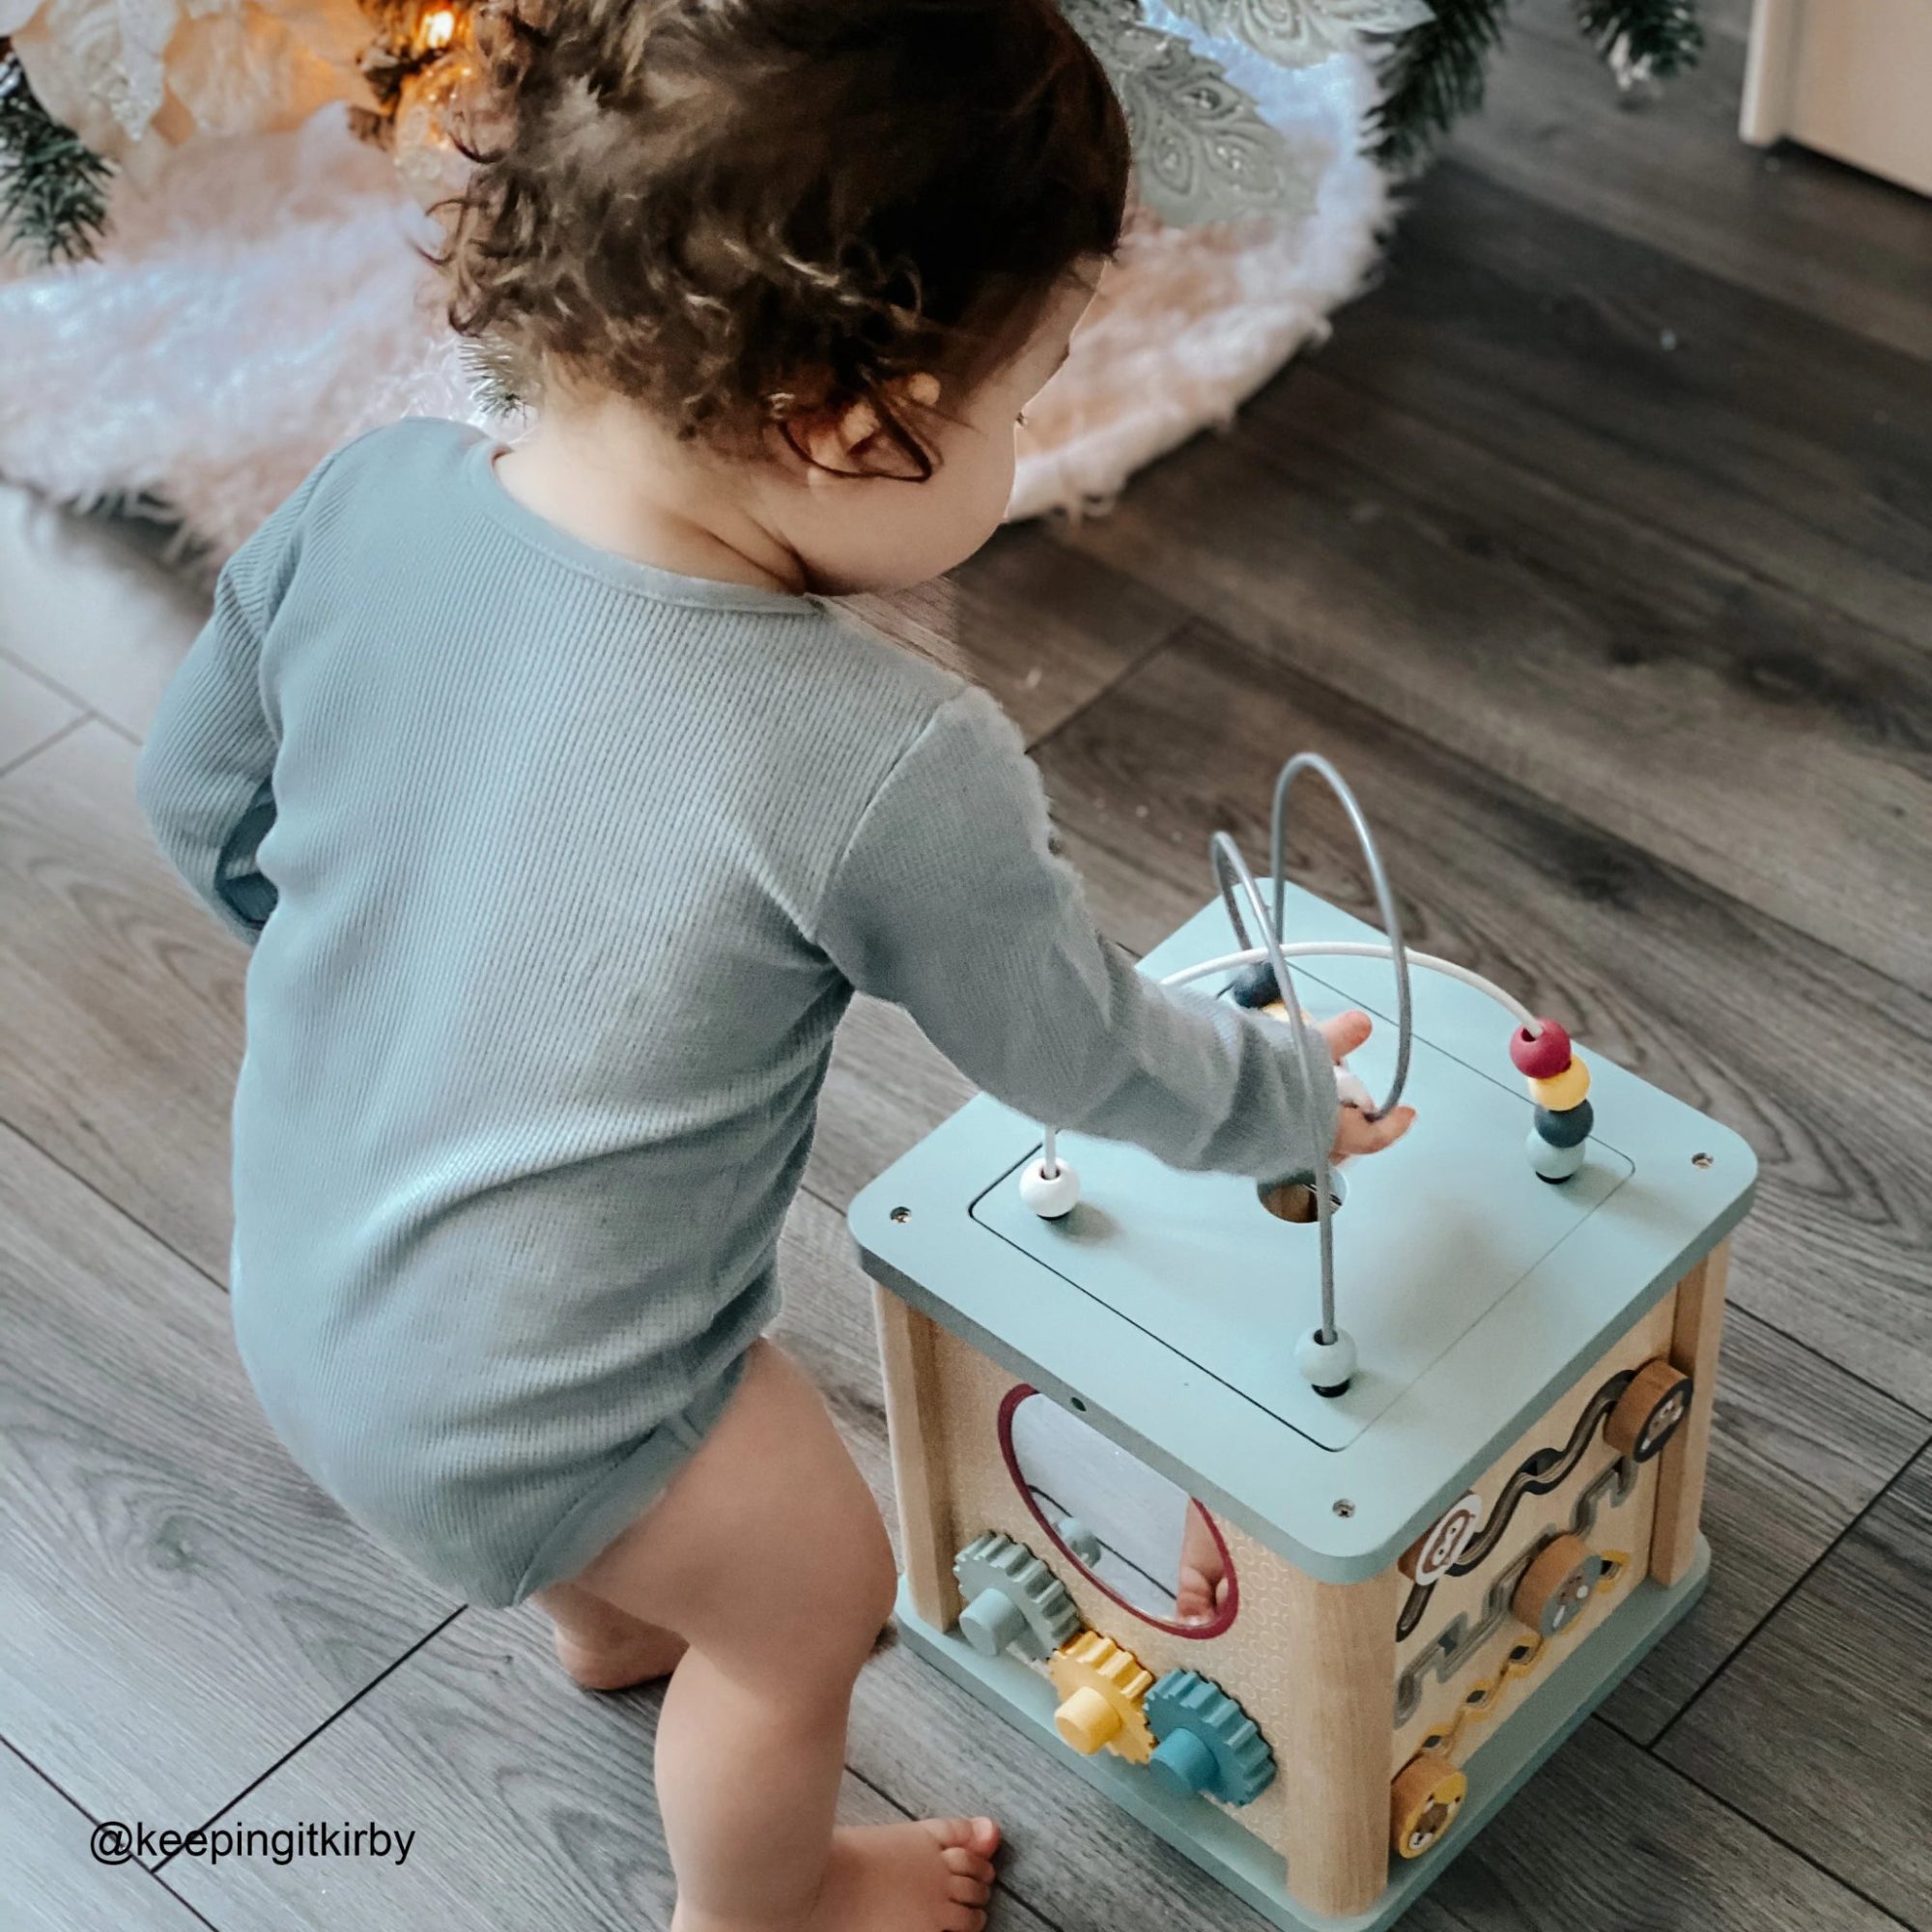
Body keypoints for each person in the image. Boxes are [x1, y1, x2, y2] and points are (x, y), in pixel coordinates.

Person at [137, 4, 1414, 1927]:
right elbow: (1075, 1052)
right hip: (550, 1393)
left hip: (305, 1291)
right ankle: (771, 1903)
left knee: (632, 1511)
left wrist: (374, 949)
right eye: (1021, 402)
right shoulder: (885, 758)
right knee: (817, 1598)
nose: (1027, 444)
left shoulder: (367, 494)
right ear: (842, 415)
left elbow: (192, 798)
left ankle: (608, 1619)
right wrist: (1282, 1096)